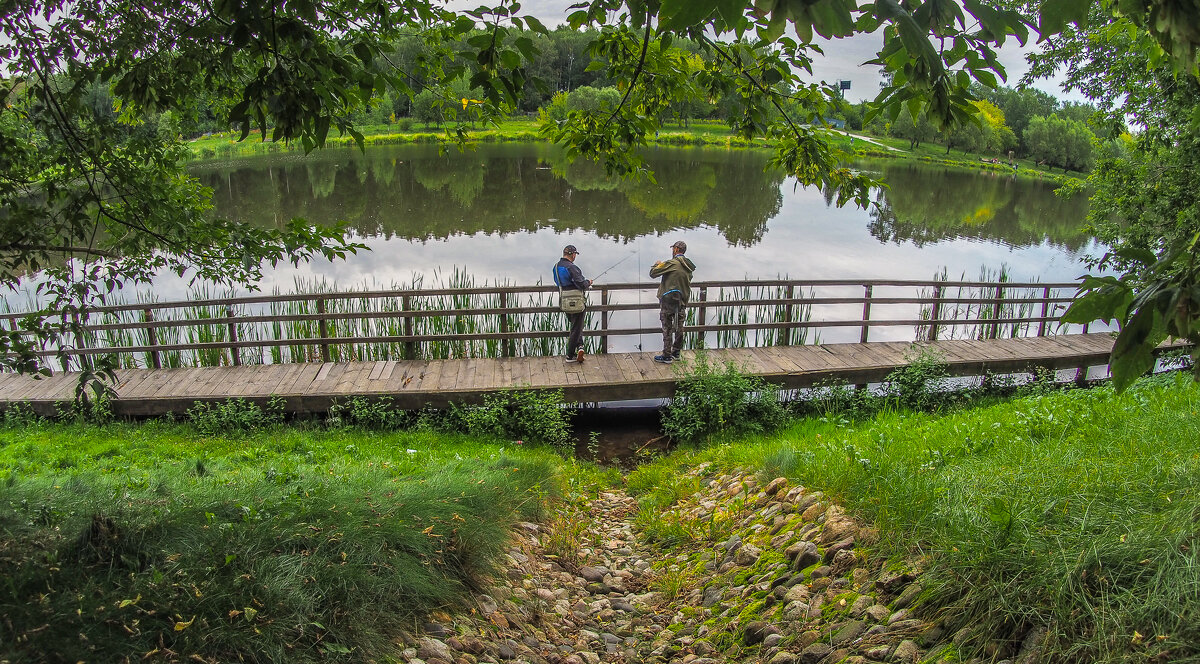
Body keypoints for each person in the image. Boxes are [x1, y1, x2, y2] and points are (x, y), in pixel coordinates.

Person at [649, 240, 696, 364]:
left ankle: (667, 355)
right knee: (680, 327)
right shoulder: (688, 265)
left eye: (673, 249)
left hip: (668, 300)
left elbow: (653, 274)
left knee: (667, 327)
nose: (672, 251)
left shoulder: (671, 263)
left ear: (676, 249)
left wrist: (656, 264)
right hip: (682, 301)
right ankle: (676, 352)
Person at [553, 244, 592, 363]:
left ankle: (580, 347)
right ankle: (570, 356)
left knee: (575, 326)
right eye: (575, 254)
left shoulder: (555, 267)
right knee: (577, 327)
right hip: (576, 302)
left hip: (564, 301)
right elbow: (581, 284)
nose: (575, 256)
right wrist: (588, 282)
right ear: (573, 254)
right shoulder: (572, 267)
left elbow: (557, 282)